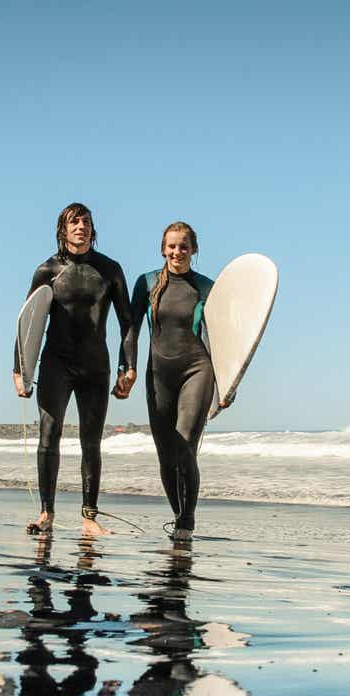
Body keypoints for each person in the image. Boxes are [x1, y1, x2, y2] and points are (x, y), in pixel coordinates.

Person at [13, 202, 137, 538]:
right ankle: (46, 513)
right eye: (73, 222)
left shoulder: (110, 269)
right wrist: (19, 369)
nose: (80, 226)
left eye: (85, 221)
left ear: (92, 229)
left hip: (96, 366)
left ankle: (89, 517)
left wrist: (129, 367)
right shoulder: (47, 270)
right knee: (48, 437)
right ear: (62, 229)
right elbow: (27, 321)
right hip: (56, 362)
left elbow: (128, 323)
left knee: (91, 442)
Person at [125, 221, 222, 541]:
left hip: (197, 369)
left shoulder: (207, 288)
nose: (177, 251)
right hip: (158, 374)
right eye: (171, 246)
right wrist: (128, 368)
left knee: (184, 446)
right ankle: (177, 515)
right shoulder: (147, 283)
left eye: (183, 246)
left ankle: (186, 522)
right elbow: (132, 329)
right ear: (162, 249)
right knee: (165, 453)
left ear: (194, 249)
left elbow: (223, 340)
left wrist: (227, 386)